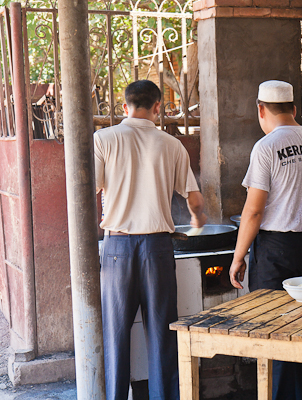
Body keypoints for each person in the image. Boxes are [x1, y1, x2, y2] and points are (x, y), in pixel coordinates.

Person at [94, 80, 207, 400]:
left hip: (117, 248)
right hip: (158, 249)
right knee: (161, 335)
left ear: (125, 104)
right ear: (158, 107)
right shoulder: (171, 145)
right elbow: (195, 201)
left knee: (115, 337)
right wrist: (198, 220)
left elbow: (89, 188)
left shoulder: (103, 138)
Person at [229, 80, 302, 400]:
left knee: (275, 333)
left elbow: (253, 212)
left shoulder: (266, 147)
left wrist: (238, 257)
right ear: (293, 108)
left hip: (276, 252)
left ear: (261, 110)